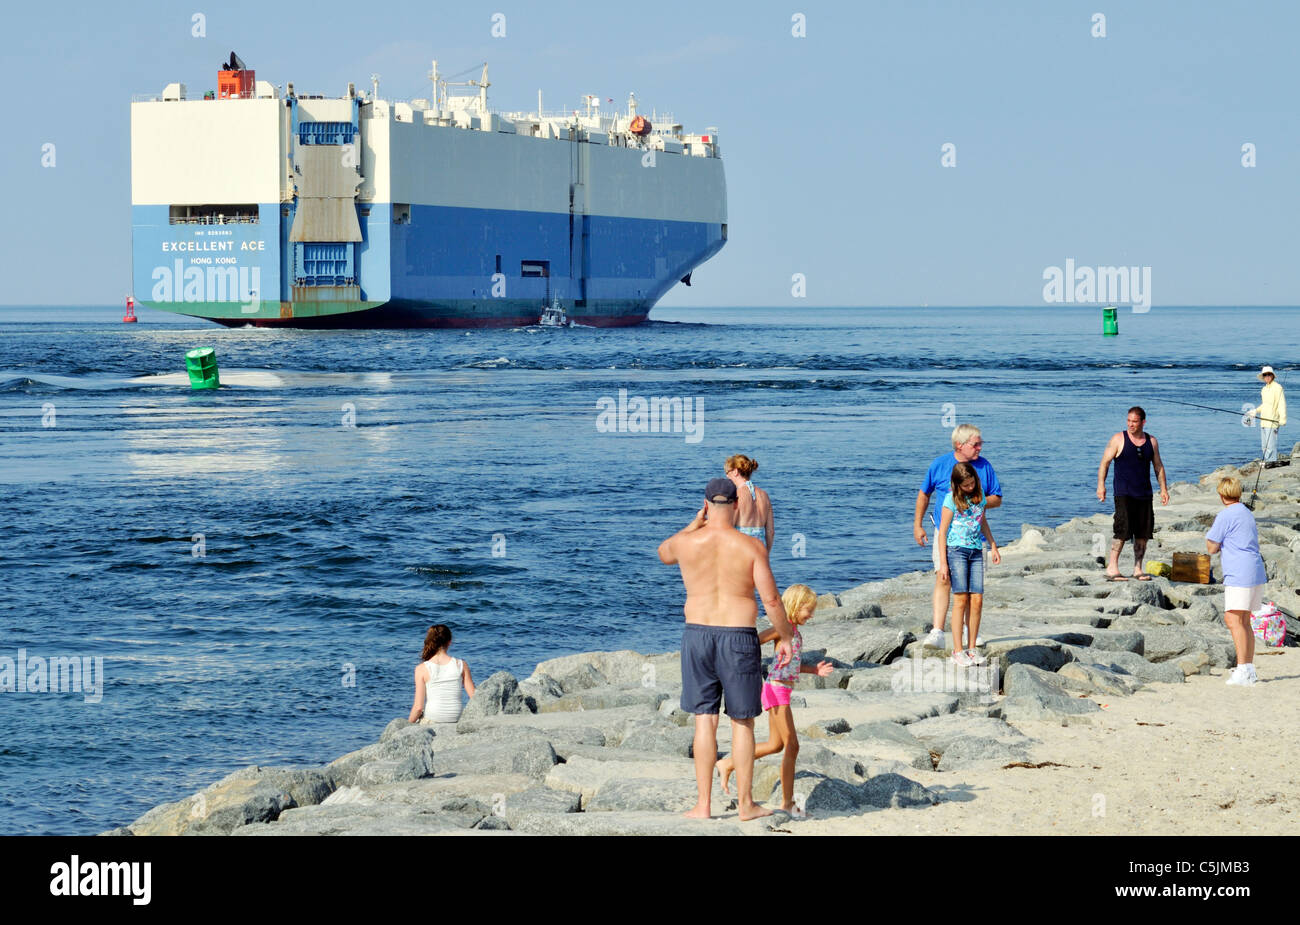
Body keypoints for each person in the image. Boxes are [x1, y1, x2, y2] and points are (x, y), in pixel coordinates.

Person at [658, 477, 795, 820]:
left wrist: (694, 523)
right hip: (737, 637)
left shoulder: (687, 543)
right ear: (736, 505)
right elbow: (772, 600)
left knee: (704, 719)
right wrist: (786, 638)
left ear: (705, 506)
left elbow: (663, 553)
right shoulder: (750, 547)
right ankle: (746, 805)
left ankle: (703, 805)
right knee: (743, 721)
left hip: (697, 634)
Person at [715, 583, 833, 817]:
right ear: (796, 606)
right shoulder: (783, 627)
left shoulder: (794, 632)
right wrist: (737, 660)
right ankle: (787, 803)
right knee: (793, 745)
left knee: (775, 745)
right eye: (808, 610)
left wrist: (814, 670)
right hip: (775, 689)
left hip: (781, 689)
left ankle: (728, 764)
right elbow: (755, 641)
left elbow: (793, 665)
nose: (811, 615)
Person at [914, 424, 1003, 649]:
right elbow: (924, 494)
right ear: (959, 445)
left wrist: (977, 501)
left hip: (974, 535)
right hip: (946, 533)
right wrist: (918, 525)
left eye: (980, 443)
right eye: (976, 444)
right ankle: (937, 631)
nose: (980, 448)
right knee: (943, 577)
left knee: (973, 589)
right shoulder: (940, 464)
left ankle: (969, 630)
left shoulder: (984, 467)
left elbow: (997, 498)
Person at [935, 463, 1001, 666]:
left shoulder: (979, 495)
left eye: (972, 483)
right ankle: (957, 650)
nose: (970, 487)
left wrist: (993, 545)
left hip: (976, 550)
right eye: (966, 485)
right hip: (956, 551)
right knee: (961, 599)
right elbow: (942, 533)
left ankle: (972, 649)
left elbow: (982, 521)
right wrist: (944, 563)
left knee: (978, 599)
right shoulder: (950, 500)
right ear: (957, 485)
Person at [1206, 476, 1267, 686]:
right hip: (1255, 570)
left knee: (1233, 620)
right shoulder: (1246, 513)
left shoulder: (1226, 515)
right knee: (1244, 620)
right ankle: (1248, 668)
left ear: (1222, 495)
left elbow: (1211, 547)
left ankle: (1242, 669)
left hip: (1239, 573)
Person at [1096, 406, 1170, 580]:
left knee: (1143, 534)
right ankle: (1112, 567)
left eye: (1135, 421)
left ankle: (1138, 569)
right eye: (1128, 421)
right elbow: (1104, 463)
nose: (1131, 424)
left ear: (1143, 422)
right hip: (1124, 493)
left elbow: (1158, 466)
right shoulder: (1118, 439)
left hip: (1144, 493)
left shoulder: (1151, 441)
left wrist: (1164, 489)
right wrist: (1101, 486)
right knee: (1122, 531)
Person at [408, 624, 476, 724]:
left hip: (433, 718)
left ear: (430, 642)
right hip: (456, 717)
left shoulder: (421, 668)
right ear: (449, 642)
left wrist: (406, 725)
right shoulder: (461, 665)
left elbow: (418, 707)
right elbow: (474, 697)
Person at [725, 454, 774, 551]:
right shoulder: (764, 495)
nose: (726, 476)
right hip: (760, 549)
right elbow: (770, 531)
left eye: (727, 472)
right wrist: (766, 554)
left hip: (742, 549)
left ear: (735, 472)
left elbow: (728, 528)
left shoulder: (736, 495)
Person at [1245, 365, 1286, 468]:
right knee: (1264, 445)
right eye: (1265, 375)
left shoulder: (1278, 388)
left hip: (1272, 421)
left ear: (1272, 376)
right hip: (1263, 421)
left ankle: (1271, 462)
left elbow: (1282, 404)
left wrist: (1283, 419)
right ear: (1263, 376)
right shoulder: (1264, 389)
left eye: (1269, 374)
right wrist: (1255, 411)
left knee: (1271, 444)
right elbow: (1264, 405)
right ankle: (1267, 461)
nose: (1267, 376)